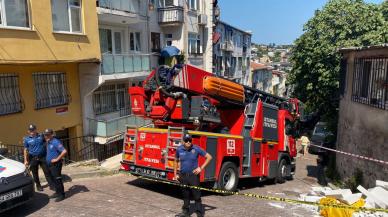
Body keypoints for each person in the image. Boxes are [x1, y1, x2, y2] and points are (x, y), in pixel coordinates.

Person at [174, 134, 212, 217]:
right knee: (185, 194)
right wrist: (175, 173)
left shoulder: (196, 148)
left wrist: (201, 168)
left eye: (190, 140)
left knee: (196, 195)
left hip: (193, 176)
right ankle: (185, 212)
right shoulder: (179, 149)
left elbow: (209, 157)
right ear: (183, 141)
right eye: (186, 140)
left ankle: (199, 213)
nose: (188, 142)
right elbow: (176, 161)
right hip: (183, 176)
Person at [23, 124, 54, 191]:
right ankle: (38, 186)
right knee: (35, 173)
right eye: (31, 130)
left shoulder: (41, 136)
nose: (32, 131)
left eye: (33, 129)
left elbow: (47, 141)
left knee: (47, 171)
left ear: (36, 129)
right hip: (33, 158)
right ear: (28, 131)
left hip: (42, 157)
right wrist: (26, 160)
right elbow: (25, 150)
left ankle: (51, 185)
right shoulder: (26, 139)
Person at [44, 129, 67, 202]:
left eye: (48, 134)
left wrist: (57, 159)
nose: (46, 136)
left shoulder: (55, 142)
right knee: (53, 179)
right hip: (50, 164)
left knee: (57, 179)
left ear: (52, 134)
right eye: (45, 134)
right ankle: (57, 192)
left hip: (56, 164)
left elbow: (64, 151)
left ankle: (62, 195)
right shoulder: (48, 141)